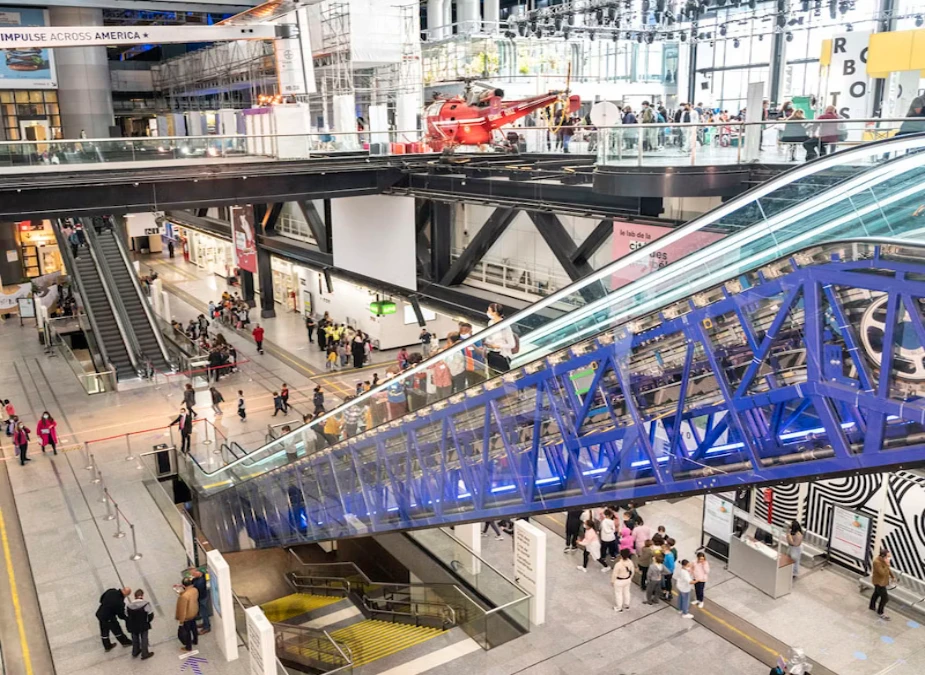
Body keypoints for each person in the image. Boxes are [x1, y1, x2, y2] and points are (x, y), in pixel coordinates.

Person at [483, 303, 516, 375]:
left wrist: (498, 346)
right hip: (491, 353)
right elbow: (490, 337)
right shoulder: (491, 322)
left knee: (502, 376)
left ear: (494, 313)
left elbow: (512, 344)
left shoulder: (505, 326)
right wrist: (488, 343)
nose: (487, 312)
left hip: (502, 355)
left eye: (489, 311)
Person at [96, 587, 132, 651]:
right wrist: (127, 618)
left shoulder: (111, 591)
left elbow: (101, 599)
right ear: (126, 594)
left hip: (100, 613)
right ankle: (125, 642)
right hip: (109, 617)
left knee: (104, 630)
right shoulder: (119, 602)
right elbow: (121, 615)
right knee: (116, 629)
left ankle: (107, 646)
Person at [125, 589, 154, 659]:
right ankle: (145, 654)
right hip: (143, 624)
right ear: (142, 596)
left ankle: (135, 651)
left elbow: (126, 615)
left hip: (133, 625)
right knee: (144, 638)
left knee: (135, 638)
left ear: (135, 596)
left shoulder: (128, 606)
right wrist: (148, 621)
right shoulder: (146, 604)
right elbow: (150, 615)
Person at [870, 549, 897, 620]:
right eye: (888, 556)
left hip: (883, 581)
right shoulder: (877, 562)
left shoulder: (884, 561)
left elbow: (888, 570)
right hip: (879, 582)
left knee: (876, 593)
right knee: (885, 598)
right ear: (883, 556)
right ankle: (880, 612)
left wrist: (892, 576)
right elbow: (882, 573)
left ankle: (872, 606)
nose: (889, 558)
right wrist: (887, 565)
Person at [176, 577, 200, 653]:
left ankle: (188, 647)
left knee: (187, 632)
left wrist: (181, 621)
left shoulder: (184, 597)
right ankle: (195, 640)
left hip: (187, 616)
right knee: (194, 627)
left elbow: (182, 610)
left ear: (183, 586)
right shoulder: (195, 590)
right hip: (194, 612)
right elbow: (188, 594)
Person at [189, 569, 212, 634]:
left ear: (197, 573)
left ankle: (207, 627)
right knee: (203, 612)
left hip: (201, 598)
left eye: (193, 574)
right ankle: (205, 624)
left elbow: (196, 590)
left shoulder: (200, 582)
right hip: (201, 597)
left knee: (204, 613)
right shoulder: (201, 575)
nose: (192, 576)